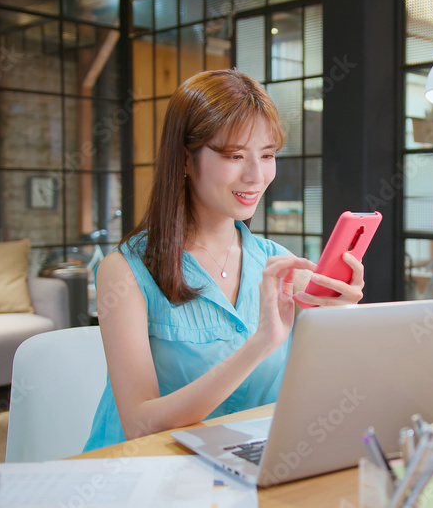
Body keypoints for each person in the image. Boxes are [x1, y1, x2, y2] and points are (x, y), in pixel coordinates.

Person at [84, 69, 365, 451]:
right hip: (144, 472)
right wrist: (262, 342)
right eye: (234, 155)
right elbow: (139, 424)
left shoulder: (279, 266)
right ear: (185, 160)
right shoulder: (124, 272)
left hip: (245, 470)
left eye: (267, 155)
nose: (256, 176)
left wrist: (342, 315)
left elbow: (328, 394)